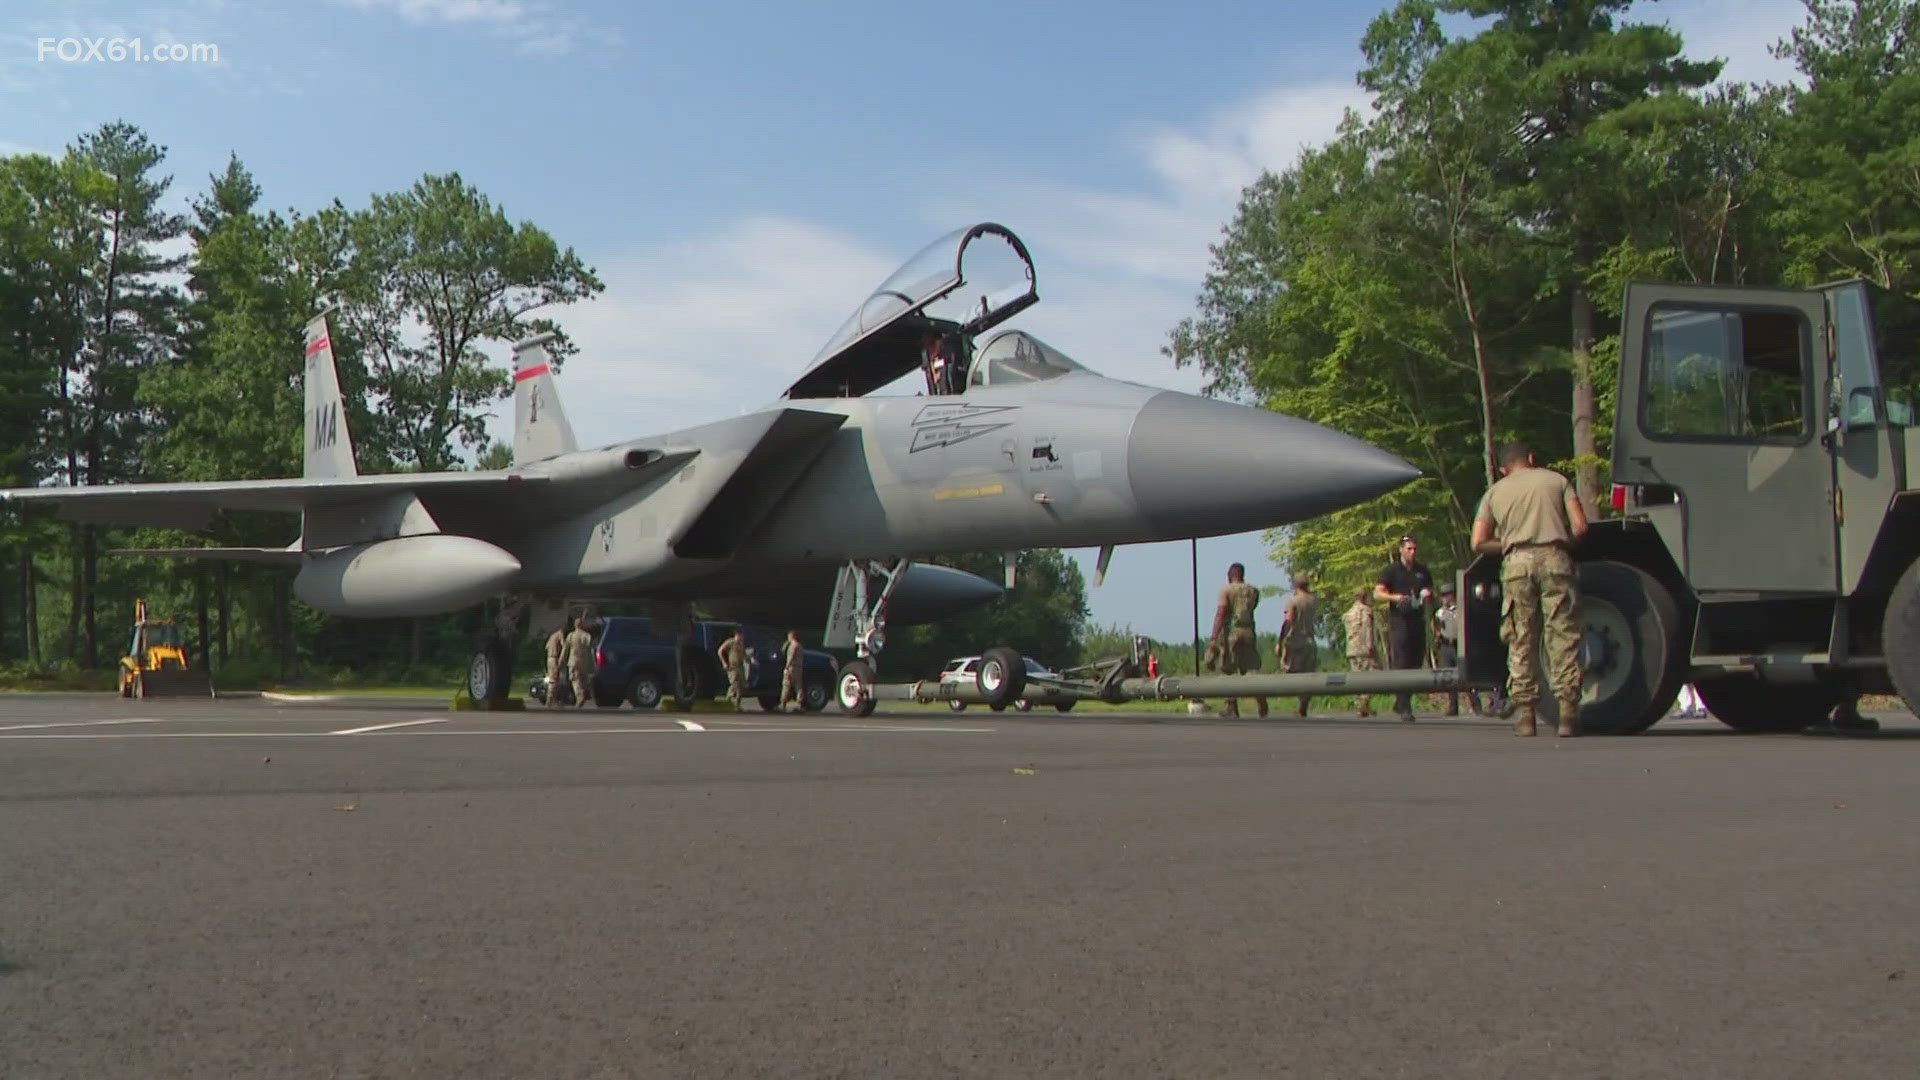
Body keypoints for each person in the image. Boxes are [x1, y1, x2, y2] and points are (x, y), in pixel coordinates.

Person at [1471, 440, 1588, 737]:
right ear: (1532, 458)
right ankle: (1567, 714)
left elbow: (1478, 542)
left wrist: (1510, 543)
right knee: (1562, 633)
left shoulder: (1494, 493)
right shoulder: (1558, 481)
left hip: (1516, 564)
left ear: (1503, 468)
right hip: (1555, 558)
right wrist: (1562, 541)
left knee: (1520, 637)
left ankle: (1525, 716)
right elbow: (1581, 527)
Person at [1375, 536, 1435, 721]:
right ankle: (1404, 706)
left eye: (1415, 549)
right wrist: (1395, 598)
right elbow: (1378, 593)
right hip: (1399, 620)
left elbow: (1431, 590)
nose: (1412, 552)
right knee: (1402, 661)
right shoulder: (1392, 571)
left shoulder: (1422, 571)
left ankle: (1402, 700)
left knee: (1416, 661)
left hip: (1417, 619)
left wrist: (1428, 595)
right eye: (1409, 549)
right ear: (1401, 550)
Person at [1209, 562, 1268, 718]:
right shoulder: (1253, 591)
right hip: (1248, 631)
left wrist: (1214, 639)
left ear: (1230, 575)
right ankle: (1261, 701)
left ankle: (1231, 706)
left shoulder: (1227, 590)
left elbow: (1221, 613)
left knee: (1229, 669)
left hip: (1232, 633)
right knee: (1251, 669)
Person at [1430, 582, 1484, 717]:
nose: (1445, 598)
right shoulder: (1440, 612)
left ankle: (1476, 704)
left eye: (1447, 595)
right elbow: (1434, 624)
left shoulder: (1461, 610)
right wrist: (1437, 634)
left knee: (1465, 675)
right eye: (1443, 596)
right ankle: (1453, 705)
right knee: (1448, 676)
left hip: (1459, 644)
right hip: (1446, 645)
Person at [1276, 573, 1318, 718]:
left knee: (1289, 670)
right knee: (1308, 675)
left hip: (1296, 641)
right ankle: (1303, 706)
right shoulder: (1314, 600)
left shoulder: (1294, 602)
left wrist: (1280, 642)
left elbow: (1288, 621)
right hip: (1310, 640)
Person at [1342, 586, 1380, 718]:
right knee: (1369, 676)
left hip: (1352, 649)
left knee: (1356, 677)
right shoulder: (1366, 612)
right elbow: (1368, 630)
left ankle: (1360, 705)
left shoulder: (1348, 613)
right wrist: (1371, 646)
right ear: (1364, 597)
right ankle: (1365, 702)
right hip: (1364, 648)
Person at [565, 615, 595, 710]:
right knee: (583, 679)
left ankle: (580, 696)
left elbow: (565, 650)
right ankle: (585, 693)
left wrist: (561, 660)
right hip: (584, 661)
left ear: (575, 625)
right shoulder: (587, 636)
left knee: (575, 679)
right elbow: (592, 649)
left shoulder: (571, 636)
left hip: (573, 660)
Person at [717, 627, 748, 712]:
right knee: (734, 684)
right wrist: (724, 662)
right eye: (739, 636)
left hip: (740, 667)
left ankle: (737, 705)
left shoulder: (741, 644)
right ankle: (727, 700)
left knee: (741, 687)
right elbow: (720, 651)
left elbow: (744, 656)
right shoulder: (730, 642)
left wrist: (749, 660)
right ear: (736, 635)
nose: (741, 638)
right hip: (732, 667)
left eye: (742, 636)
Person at [778, 629, 806, 713]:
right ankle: (800, 704)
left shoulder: (793, 646)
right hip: (799, 668)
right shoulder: (800, 646)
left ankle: (782, 704)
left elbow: (791, 656)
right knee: (799, 687)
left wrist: (786, 667)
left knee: (786, 685)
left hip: (792, 668)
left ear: (791, 637)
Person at [544, 622, 568, 708]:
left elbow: (546, 647)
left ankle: (553, 699)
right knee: (554, 680)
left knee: (552, 679)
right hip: (555, 658)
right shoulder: (560, 634)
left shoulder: (552, 636)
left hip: (549, 658)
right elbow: (564, 645)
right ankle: (550, 700)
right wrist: (563, 657)